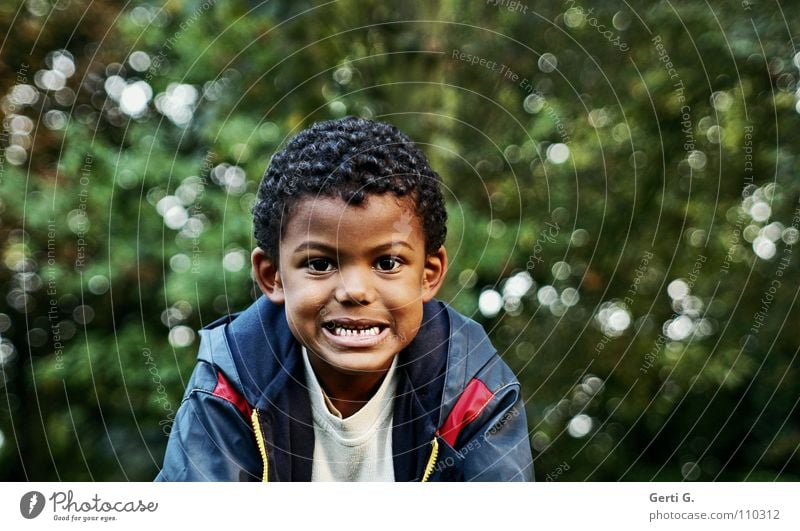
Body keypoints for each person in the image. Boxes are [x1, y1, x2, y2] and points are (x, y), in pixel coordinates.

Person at [156, 117, 533, 481]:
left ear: (428, 274)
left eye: (387, 262)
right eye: (320, 264)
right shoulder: (233, 383)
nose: (355, 291)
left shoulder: (471, 391)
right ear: (273, 277)